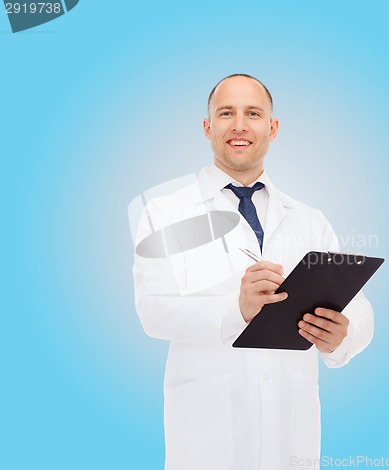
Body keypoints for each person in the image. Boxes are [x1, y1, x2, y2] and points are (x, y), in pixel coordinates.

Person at [132, 74, 374, 470]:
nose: (240, 125)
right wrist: (236, 310)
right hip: (207, 440)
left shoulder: (309, 220)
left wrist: (342, 336)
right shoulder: (167, 214)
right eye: (226, 113)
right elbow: (153, 309)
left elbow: (360, 307)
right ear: (208, 128)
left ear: (272, 129)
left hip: (291, 439)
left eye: (254, 113)